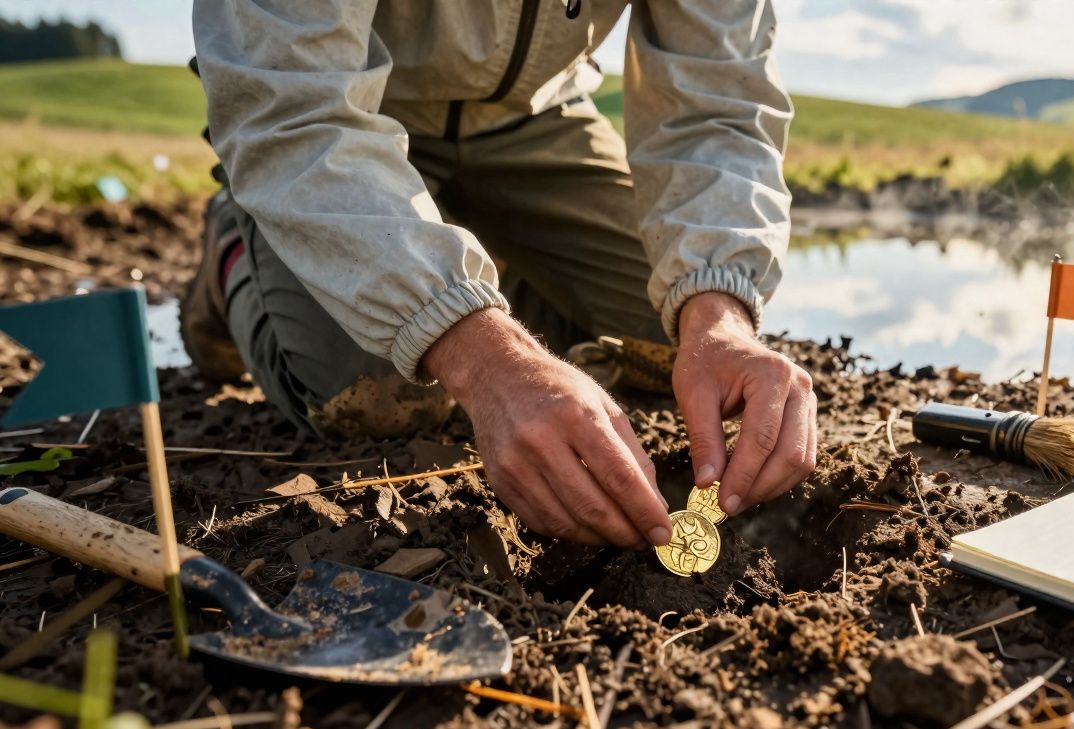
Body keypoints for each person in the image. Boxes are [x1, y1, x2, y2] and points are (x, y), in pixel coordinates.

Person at [185, 0, 817, 550]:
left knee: (670, 336)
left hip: (537, 118)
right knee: (376, 395)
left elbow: (718, 105)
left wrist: (719, 319)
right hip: (351, 121)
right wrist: (485, 359)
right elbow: (293, 110)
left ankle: (452, 262)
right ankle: (234, 256)